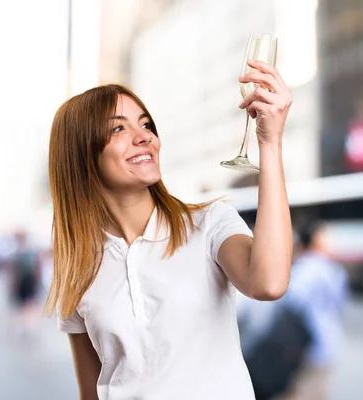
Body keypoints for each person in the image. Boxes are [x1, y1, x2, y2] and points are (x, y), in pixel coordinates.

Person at [45, 60, 294, 399]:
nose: (144, 136)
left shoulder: (209, 224)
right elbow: (91, 393)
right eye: (118, 129)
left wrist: (270, 142)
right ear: (80, 155)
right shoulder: (78, 263)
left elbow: (268, 284)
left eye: (146, 124)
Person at [278, 221, 349, 400]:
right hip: (329, 341)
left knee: (299, 393)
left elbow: (290, 303)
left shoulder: (305, 269)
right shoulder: (335, 270)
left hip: (307, 345)